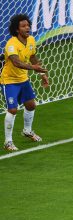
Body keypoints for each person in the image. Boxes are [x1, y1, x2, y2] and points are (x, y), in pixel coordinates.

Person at [0, 14, 49, 151]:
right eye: (23, 26)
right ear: (17, 29)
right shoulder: (11, 44)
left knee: (31, 105)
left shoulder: (32, 40)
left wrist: (41, 74)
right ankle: (8, 142)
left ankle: (27, 131)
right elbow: (16, 62)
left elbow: (33, 57)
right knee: (13, 109)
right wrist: (34, 68)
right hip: (9, 81)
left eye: (28, 25)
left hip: (23, 79)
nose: (27, 28)